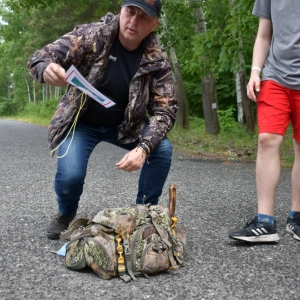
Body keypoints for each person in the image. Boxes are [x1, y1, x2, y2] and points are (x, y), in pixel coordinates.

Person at [27, 0, 178, 240]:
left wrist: (144, 148)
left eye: (143, 17)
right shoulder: (92, 36)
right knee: (71, 175)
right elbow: (40, 57)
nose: (133, 21)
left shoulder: (157, 59)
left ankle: (145, 214)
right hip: (82, 122)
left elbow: (166, 110)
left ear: (154, 24)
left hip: (128, 126)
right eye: (130, 12)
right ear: (121, 10)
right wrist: (45, 68)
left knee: (162, 150)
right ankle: (66, 214)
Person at [229, 0, 300, 243]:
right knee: (267, 139)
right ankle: (265, 222)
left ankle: (297, 216)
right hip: (275, 75)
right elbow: (263, 34)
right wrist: (255, 71)